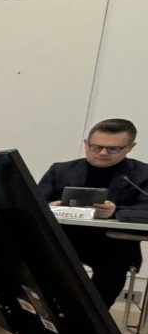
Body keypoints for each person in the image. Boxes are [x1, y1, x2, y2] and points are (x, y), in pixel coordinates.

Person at [38, 118, 148, 306]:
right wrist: (51, 206)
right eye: (96, 147)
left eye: (113, 149)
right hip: (65, 238)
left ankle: (90, 319)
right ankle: (51, 311)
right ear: (86, 144)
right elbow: (35, 199)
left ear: (130, 147)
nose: (103, 153)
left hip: (112, 242)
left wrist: (115, 211)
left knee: (112, 269)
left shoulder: (142, 174)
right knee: (35, 254)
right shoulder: (61, 170)